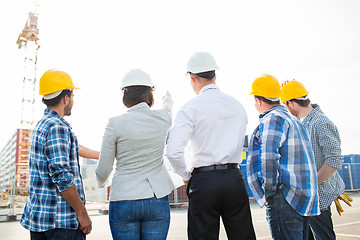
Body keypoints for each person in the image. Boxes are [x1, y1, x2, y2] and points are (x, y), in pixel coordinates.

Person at [166, 52, 256, 240]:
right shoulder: (237, 105)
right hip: (234, 178)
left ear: (192, 79)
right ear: (215, 75)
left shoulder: (190, 108)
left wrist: (185, 176)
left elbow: (174, 151)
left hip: (204, 181)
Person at [95, 69, 175, 240]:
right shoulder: (163, 118)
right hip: (156, 197)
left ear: (125, 96)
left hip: (124, 197)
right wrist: (167, 98)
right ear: (149, 94)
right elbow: (168, 108)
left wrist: (101, 183)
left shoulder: (115, 123)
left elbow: (104, 169)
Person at [20, 69, 100, 240]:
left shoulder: (43, 125)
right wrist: (82, 212)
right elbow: (62, 175)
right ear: (66, 98)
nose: (73, 101)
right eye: (72, 96)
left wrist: (103, 155)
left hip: (41, 221)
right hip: (60, 224)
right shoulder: (58, 127)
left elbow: (73, 147)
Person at [247, 74, 320, 240]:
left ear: (258, 100)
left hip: (285, 198)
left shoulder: (273, 118)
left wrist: (269, 189)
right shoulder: (293, 119)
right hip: (302, 197)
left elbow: (268, 156)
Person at [280, 80, 351, 240]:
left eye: (285, 104)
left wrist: (311, 184)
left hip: (318, 197)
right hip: (306, 198)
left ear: (291, 103)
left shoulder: (320, 122)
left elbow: (334, 161)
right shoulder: (301, 123)